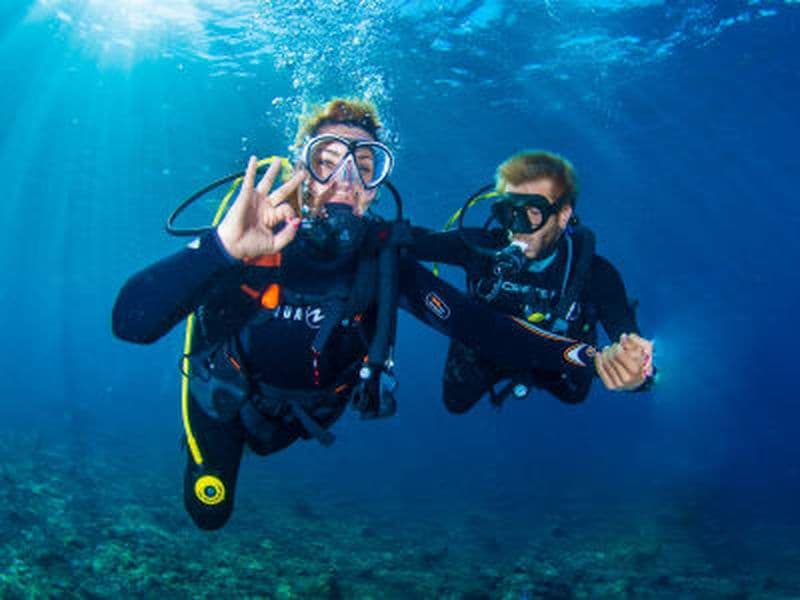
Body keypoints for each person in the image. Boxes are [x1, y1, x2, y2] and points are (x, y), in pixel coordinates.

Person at [112, 100, 645, 530]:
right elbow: (131, 322)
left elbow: (479, 327)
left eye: (364, 166)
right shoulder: (251, 241)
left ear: (373, 187)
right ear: (302, 170)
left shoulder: (383, 257)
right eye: (326, 160)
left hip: (311, 417)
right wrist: (223, 250)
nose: (344, 178)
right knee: (210, 514)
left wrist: (590, 356)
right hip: (225, 404)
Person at [413, 150, 655, 413]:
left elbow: (632, 345)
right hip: (485, 351)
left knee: (575, 395)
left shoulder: (596, 274)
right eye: (508, 212)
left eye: (532, 212)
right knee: (455, 402)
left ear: (563, 215)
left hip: (555, 365)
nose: (516, 227)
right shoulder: (481, 248)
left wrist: (633, 369)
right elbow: (412, 240)